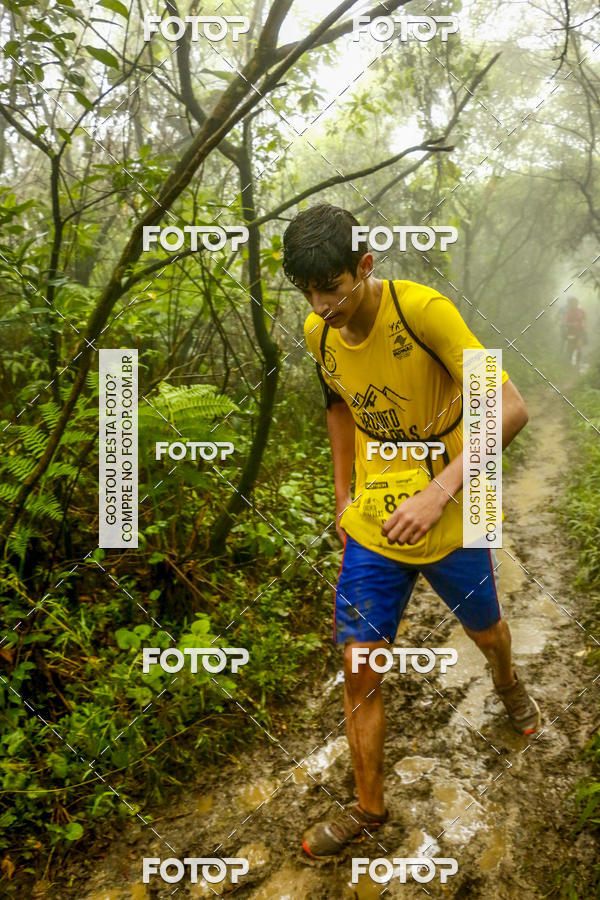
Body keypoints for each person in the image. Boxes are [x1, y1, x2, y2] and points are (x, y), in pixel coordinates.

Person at [281, 203, 541, 860]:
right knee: (358, 665)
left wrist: (439, 491)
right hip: (375, 514)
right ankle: (369, 809)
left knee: (487, 630)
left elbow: (510, 408)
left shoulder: (423, 312)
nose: (322, 308)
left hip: (459, 495)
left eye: (333, 292)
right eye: (309, 296)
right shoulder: (319, 332)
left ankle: (507, 682)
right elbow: (339, 406)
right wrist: (342, 497)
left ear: (364, 267)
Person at [563, 296, 586, 368]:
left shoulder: (581, 311)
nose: (574, 304)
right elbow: (565, 323)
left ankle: (577, 364)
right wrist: (573, 324)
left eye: (575, 303)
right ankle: (569, 363)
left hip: (580, 333)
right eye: (572, 303)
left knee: (579, 348)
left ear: (577, 303)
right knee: (571, 348)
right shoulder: (568, 311)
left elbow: (585, 321)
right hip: (571, 333)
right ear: (570, 304)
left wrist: (584, 328)